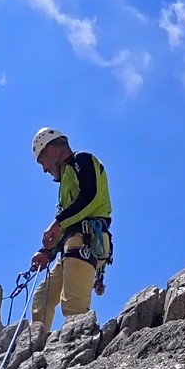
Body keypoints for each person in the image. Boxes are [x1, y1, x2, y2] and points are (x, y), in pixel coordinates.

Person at [27, 127, 113, 334]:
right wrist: (47, 251)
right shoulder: (66, 181)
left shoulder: (82, 161)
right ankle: (34, 348)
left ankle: (77, 352)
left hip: (86, 239)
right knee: (41, 299)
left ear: (53, 151)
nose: (45, 169)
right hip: (71, 244)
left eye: (43, 161)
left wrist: (58, 222)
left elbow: (89, 197)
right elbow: (67, 221)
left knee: (73, 306)